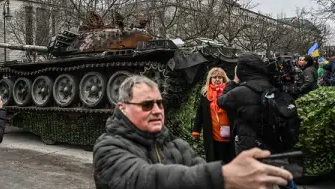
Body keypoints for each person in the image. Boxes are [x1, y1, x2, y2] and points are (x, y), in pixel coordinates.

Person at [93, 74, 293, 189]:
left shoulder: (175, 145)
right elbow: (145, 179)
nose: (156, 110)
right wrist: (223, 175)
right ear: (123, 107)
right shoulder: (109, 147)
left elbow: (199, 173)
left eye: (160, 103)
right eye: (147, 105)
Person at [217, 52, 298, 189]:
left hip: (251, 144)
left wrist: (234, 81)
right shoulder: (271, 85)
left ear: (243, 69)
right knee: (281, 175)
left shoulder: (241, 91)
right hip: (274, 140)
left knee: (253, 181)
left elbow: (222, 101)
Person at [192, 67, 233, 163]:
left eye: (220, 77)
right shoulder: (205, 94)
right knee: (214, 160)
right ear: (210, 79)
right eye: (214, 77)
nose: (217, 79)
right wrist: (196, 130)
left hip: (229, 134)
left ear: (224, 79)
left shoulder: (230, 93)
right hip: (212, 135)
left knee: (229, 161)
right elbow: (200, 113)